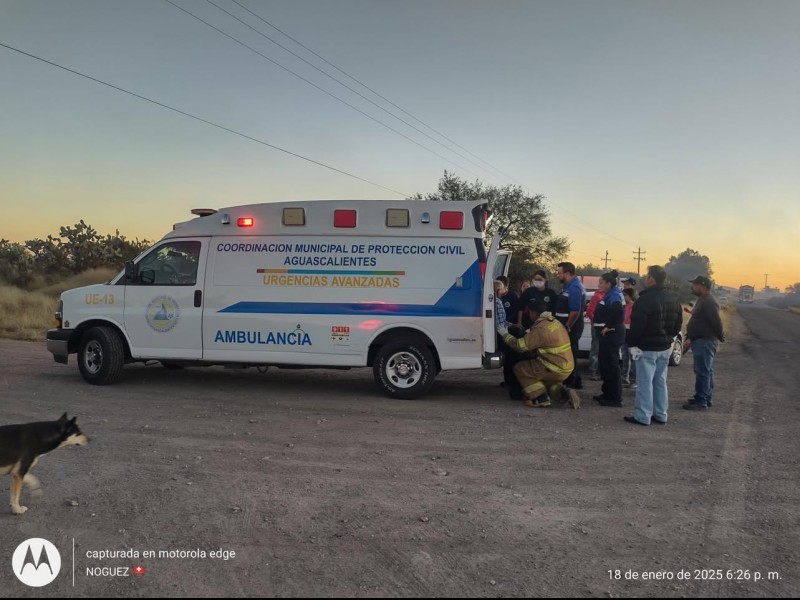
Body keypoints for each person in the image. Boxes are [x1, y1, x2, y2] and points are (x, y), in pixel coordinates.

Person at [624, 265, 683, 425]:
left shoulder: (644, 300)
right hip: (665, 348)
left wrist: (632, 344)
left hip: (646, 348)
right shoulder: (673, 299)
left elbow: (637, 326)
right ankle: (661, 414)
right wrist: (668, 338)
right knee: (660, 382)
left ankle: (643, 416)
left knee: (645, 382)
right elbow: (678, 325)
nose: (645, 279)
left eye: (646, 276)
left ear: (651, 279)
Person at [497, 300, 580, 409]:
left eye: (529, 313)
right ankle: (563, 392)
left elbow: (520, 346)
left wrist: (505, 334)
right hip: (566, 367)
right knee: (542, 379)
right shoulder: (554, 322)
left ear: (533, 313)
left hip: (554, 367)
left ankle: (540, 398)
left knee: (521, 368)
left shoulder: (540, 329)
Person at [684, 275, 725, 411]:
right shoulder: (703, 300)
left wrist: (721, 337)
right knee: (705, 370)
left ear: (702, 286)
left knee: (703, 371)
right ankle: (705, 397)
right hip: (701, 340)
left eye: (694, 284)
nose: (692, 287)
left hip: (705, 341)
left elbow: (716, 321)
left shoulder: (709, 301)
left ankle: (701, 401)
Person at [593, 271, 625, 407]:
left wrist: (608, 326)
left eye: (601, 282)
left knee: (611, 365)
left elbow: (617, 310)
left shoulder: (614, 295)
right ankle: (607, 393)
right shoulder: (609, 294)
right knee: (605, 364)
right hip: (606, 335)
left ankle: (614, 398)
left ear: (609, 284)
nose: (599, 285)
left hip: (611, 334)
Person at [555, 262, 586, 390]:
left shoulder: (574, 288)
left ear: (567, 273)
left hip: (571, 327)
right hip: (566, 325)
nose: (558, 275)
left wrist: (568, 325)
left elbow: (575, 311)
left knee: (570, 354)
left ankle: (570, 383)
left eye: (559, 273)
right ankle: (576, 380)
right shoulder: (568, 286)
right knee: (570, 353)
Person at [494, 279, 523, 399]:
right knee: (510, 358)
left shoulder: (495, 301)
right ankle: (511, 383)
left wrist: (513, 325)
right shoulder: (498, 302)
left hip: (501, 332)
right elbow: (500, 323)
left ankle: (508, 381)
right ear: (497, 290)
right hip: (503, 334)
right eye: (501, 289)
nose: (503, 291)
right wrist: (511, 327)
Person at [585, 288, 605, 381]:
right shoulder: (597, 297)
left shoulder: (605, 296)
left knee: (600, 349)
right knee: (595, 349)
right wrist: (596, 322)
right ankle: (593, 372)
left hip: (603, 326)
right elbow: (589, 311)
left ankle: (598, 371)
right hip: (598, 326)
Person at [620, 287, 638, 386]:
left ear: (630, 296)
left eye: (625, 295)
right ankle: (624, 377)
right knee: (625, 356)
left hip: (631, 332)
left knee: (633, 357)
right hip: (624, 332)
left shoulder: (635, 307)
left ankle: (634, 378)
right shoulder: (623, 307)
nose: (623, 297)